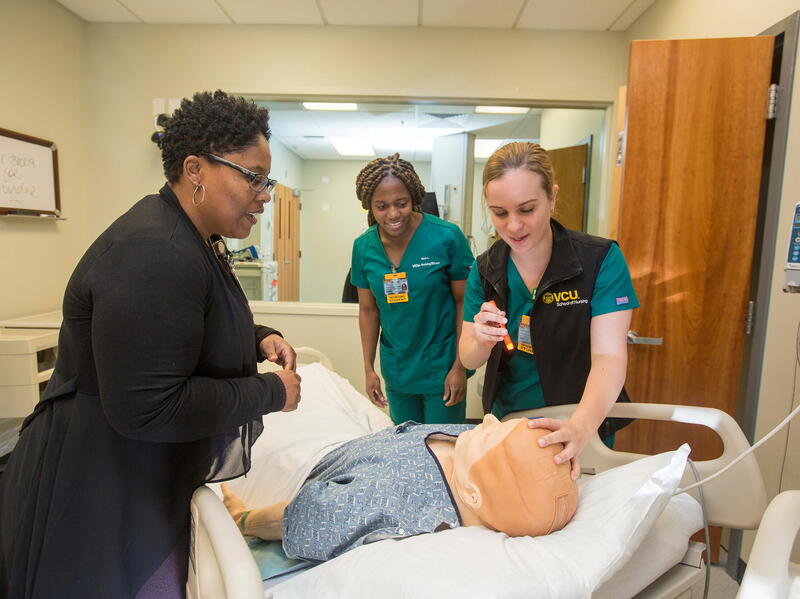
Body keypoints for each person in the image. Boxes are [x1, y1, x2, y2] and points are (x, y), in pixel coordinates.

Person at [0, 90, 302, 599]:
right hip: (99, 480)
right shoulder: (152, 251)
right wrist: (272, 392)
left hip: (134, 467)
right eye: (252, 177)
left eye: (266, 180)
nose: (265, 194)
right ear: (196, 170)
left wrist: (256, 339)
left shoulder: (190, 237)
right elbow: (151, 406)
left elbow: (184, 326)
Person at [459, 142, 639, 481]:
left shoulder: (599, 260)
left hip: (581, 419)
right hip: (512, 422)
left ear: (552, 198)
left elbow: (609, 358)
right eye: (499, 213)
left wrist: (580, 427)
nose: (513, 226)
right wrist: (481, 341)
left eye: (527, 209)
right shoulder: (485, 269)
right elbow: (468, 358)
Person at [222, 414, 578, 562]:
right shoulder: (471, 449)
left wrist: (243, 519)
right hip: (362, 439)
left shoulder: (391, 499)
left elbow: (300, 518)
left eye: (490, 432)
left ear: (472, 495)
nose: (485, 419)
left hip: (307, 461)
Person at [350, 154, 474, 424]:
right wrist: (369, 368)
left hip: (443, 367)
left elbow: (464, 303)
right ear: (369, 205)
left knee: (443, 449)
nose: (393, 214)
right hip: (399, 368)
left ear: (414, 198)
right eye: (381, 206)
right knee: (405, 446)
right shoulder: (363, 247)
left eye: (401, 204)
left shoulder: (446, 237)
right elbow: (368, 310)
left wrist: (460, 366)